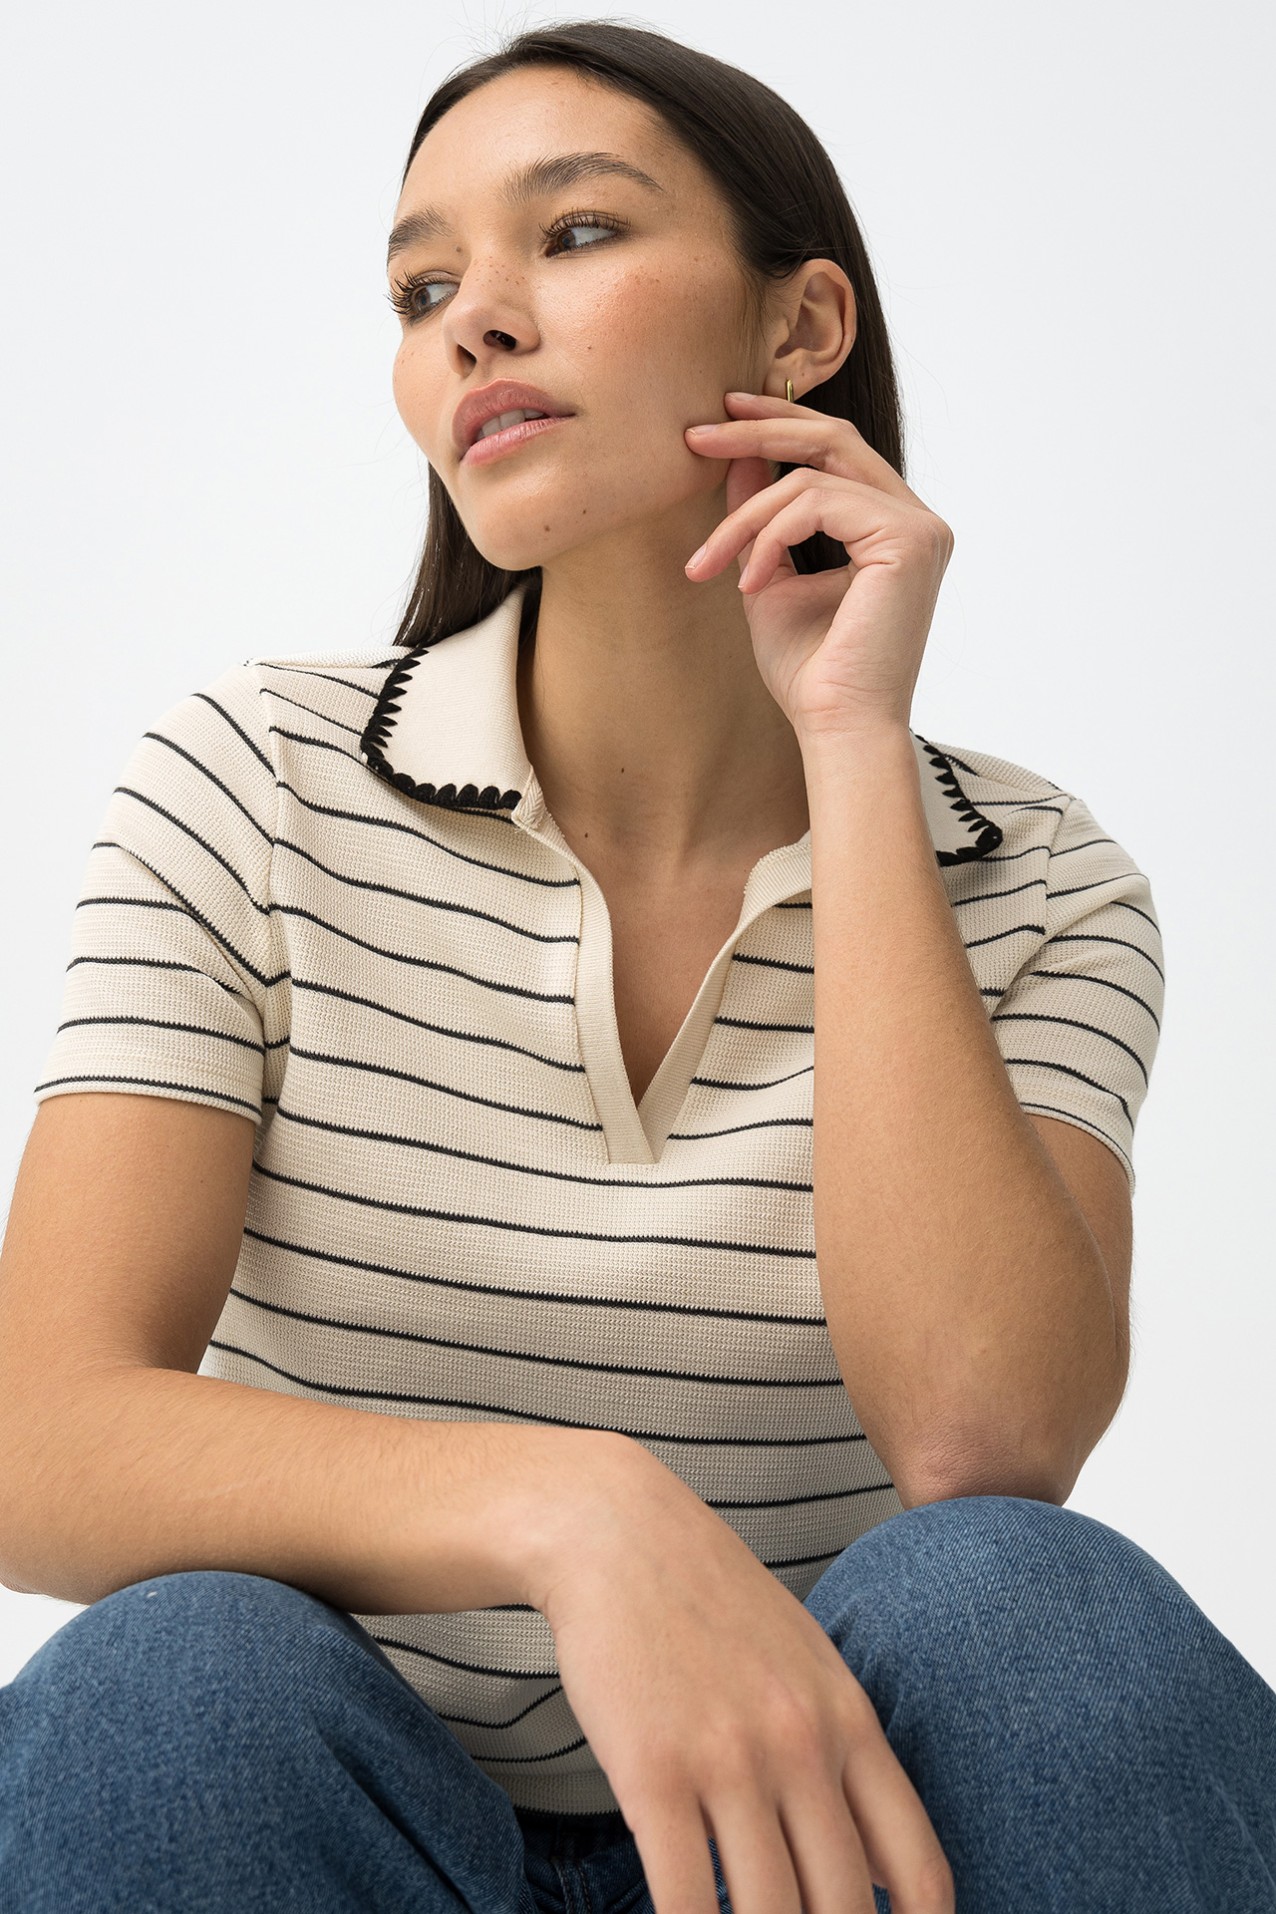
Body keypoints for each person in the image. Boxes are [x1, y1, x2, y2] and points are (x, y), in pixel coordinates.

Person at [1, 18, 1273, 1914]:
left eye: (572, 236)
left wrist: (854, 748)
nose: (472, 322)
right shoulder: (254, 783)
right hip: (328, 1831)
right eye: (422, 285)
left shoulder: (1041, 881)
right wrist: (571, 1509)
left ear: (801, 329)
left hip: (833, 1854)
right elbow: (40, 1428)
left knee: (1020, 1603)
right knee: (182, 1681)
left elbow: (988, 1438)